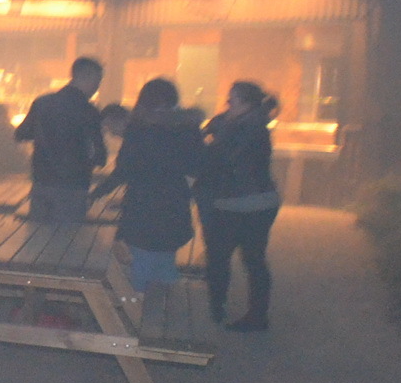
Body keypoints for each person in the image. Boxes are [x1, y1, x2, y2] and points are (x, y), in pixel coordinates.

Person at [97, 79, 201, 294]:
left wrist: (98, 192)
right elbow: (197, 166)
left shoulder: (138, 128)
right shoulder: (187, 127)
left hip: (142, 204)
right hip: (174, 202)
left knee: (141, 262)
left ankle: (137, 306)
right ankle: (165, 306)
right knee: (166, 261)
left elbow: (124, 169)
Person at [197, 81, 281, 332]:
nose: (227, 104)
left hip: (239, 201)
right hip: (257, 200)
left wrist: (208, 142)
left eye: (232, 99)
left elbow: (222, 158)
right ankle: (255, 314)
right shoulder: (248, 123)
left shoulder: (247, 127)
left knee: (221, 256)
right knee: (253, 259)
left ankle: (222, 308)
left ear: (245, 102)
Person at [15, 57, 107, 224]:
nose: (97, 87)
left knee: (39, 234)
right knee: (67, 236)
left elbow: (21, 134)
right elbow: (99, 155)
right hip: (74, 186)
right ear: (88, 77)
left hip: (42, 181)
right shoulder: (89, 111)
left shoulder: (42, 103)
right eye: (97, 82)